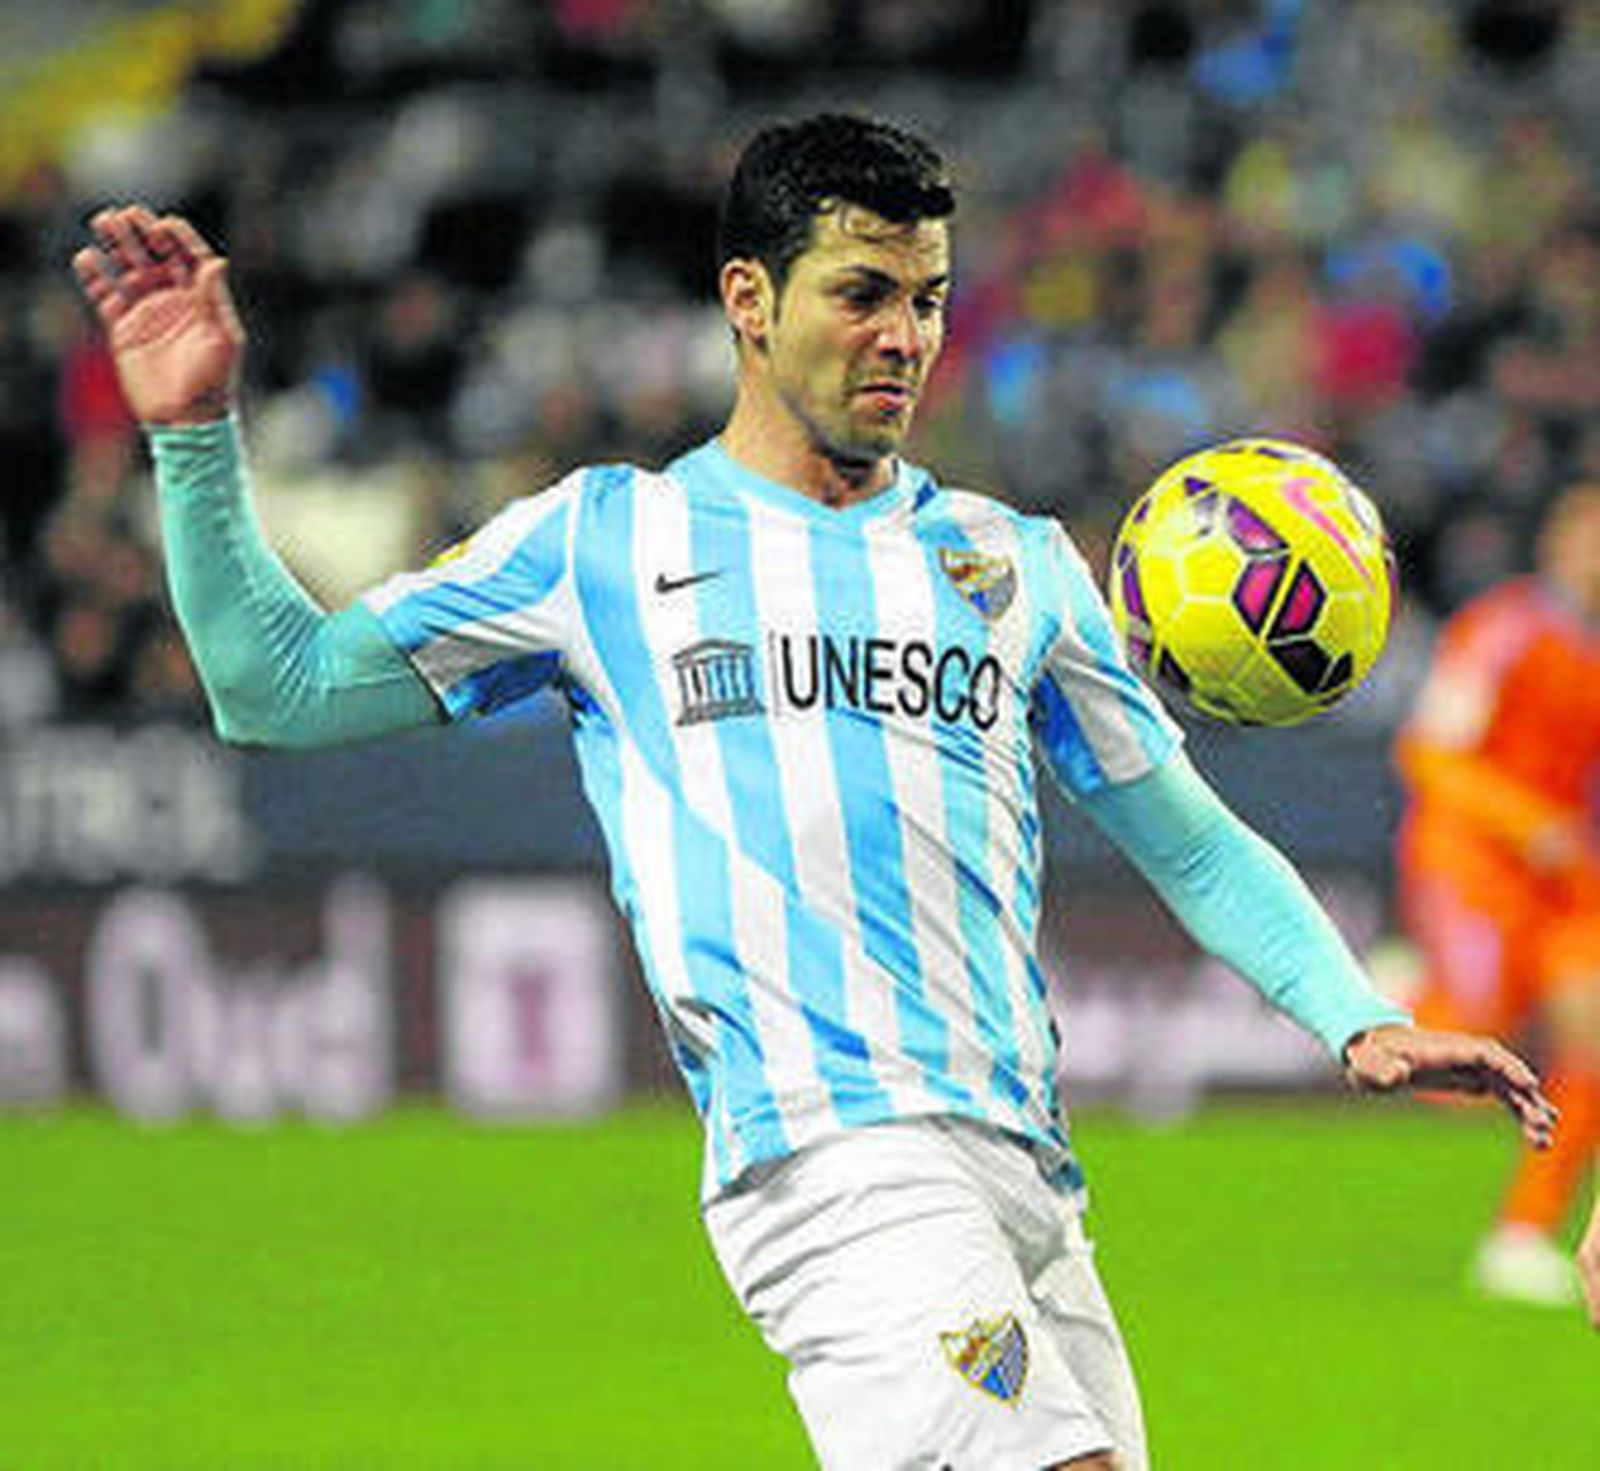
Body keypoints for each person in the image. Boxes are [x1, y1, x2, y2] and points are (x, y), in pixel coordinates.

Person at [75, 114, 1555, 1471]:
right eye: (861, 293)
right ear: (749, 300)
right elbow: (275, 687)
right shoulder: (607, 540)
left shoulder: (1015, 562)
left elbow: (1181, 829)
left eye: (925, 298)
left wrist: (1351, 1014)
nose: (903, 336)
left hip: (1026, 1171)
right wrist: (197, 439)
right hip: (830, 1156)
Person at [1395, 484, 1600, 1309]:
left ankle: (1521, 1233)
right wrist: (1523, 821)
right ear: (1557, 543)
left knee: (1592, 1033)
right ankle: (1408, 994)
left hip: (1570, 879)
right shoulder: (1501, 630)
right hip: (1473, 861)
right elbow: (1430, 752)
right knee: (1462, 1069)